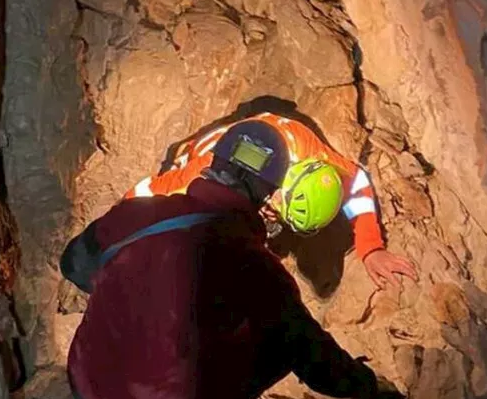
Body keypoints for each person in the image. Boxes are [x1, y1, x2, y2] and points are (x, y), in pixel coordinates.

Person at [60, 121, 398, 399]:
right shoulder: (263, 273)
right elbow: (321, 365)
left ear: (214, 161)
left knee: (133, 282)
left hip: (83, 383)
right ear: (268, 194)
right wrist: (365, 384)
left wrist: (138, 290)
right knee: (287, 338)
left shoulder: (137, 212)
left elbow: (74, 266)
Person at [125, 111, 418, 289]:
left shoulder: (312, 158)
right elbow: (146, 194)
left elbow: (356, 183)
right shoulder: (207, 172)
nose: (273, 219)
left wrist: (370, 246)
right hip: (195, 155)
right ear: (274, 191)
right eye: (275, 212)